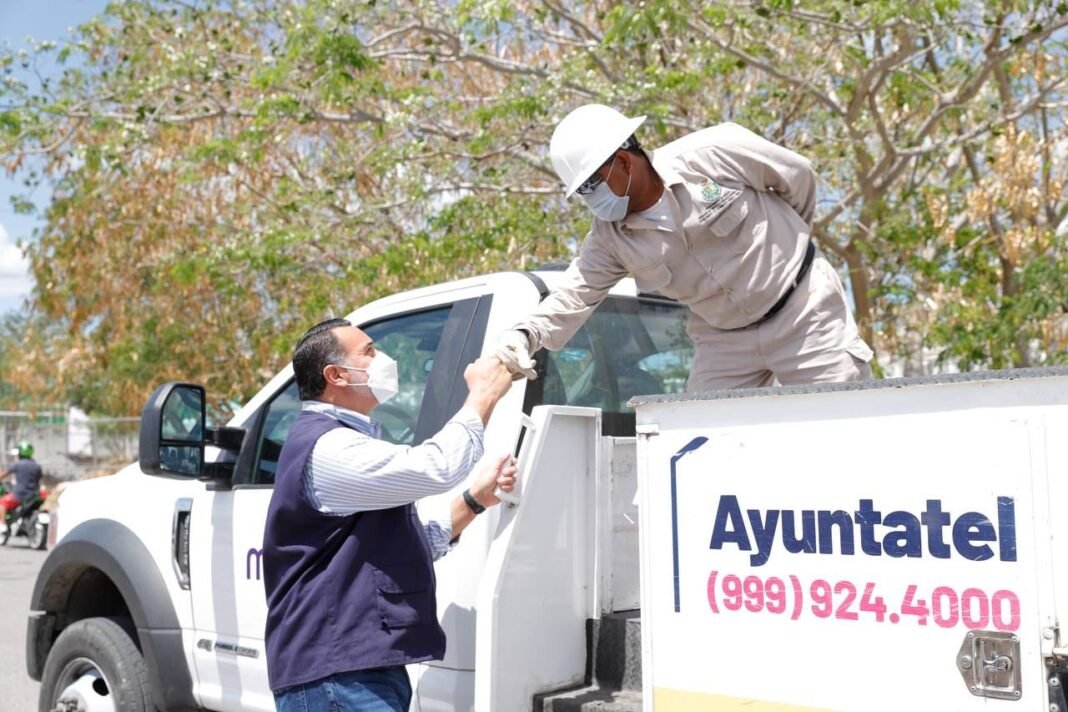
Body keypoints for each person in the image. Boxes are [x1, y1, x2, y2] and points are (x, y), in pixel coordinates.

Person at [496, 104, 874, 390]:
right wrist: (523, 336)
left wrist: (790, 252)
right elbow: (573, 296)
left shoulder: (714, 153)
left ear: (624, 162)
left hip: (803, 313)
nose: (588, 200)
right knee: (699, 445)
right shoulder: (610, 238)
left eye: (590, 187)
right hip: (724, 339)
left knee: (841, 428)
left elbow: (798, 178)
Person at [262, 317, 516, 712]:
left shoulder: (346, 442)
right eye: (369, 352)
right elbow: (437, 466)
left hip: (359, 672)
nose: (385, 359)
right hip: (337, 676)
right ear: (336, 375)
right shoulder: (329, 447)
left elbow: (406, 544)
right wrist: (482, 395)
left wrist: (474, 500)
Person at [1, 441, 42, 533]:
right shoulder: (36, 466)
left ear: (20, 453)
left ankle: (2, 524)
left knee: (2, 502)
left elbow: (4, 475)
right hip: (34, 495)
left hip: (19, 495)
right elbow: (38, 478)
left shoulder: (17, 464)